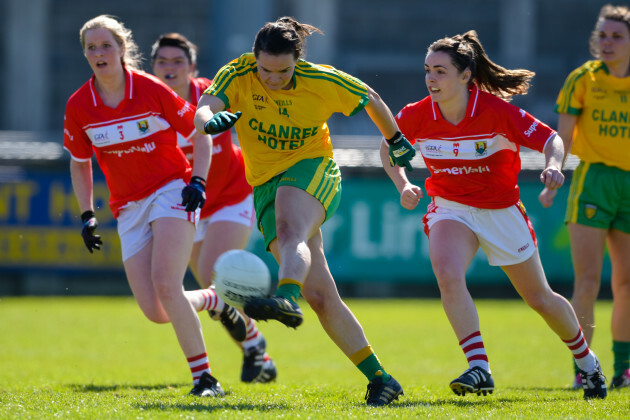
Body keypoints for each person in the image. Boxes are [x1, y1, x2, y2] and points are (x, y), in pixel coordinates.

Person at [194, 17, 412, 406]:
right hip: (264, 183)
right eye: (265, 70)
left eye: (283, 71)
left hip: (312, 168)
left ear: (298, 61)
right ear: (255, 59)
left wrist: (395, 139)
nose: (272, 79)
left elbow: (371, 98)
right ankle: (381, 379)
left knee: (289, 226)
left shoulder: (322, 80)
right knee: (323, 295)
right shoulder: (239, 73)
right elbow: (203, 106)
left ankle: (286, 295)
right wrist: (212, 119)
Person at [383, 30, 608, 400]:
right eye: (427, 70)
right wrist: (403, 183)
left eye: (440, 71)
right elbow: (387, 148)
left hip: (501, 211)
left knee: (540, 298)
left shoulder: (495, 111)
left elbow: (552, 138)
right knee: (447, 273)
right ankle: (480, 367)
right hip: (450, 207)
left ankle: (588, 363)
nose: (430, 78)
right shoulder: (415, 115)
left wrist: (554, 166)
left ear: (465, 76)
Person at [63, 15, 240, 397]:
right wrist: (88, 214)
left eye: (106, 45)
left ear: (123, 48)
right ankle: (212, 298)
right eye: (91, 48)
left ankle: (206, 380)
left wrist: (198, 181)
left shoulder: (149, 88)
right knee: (157, 311)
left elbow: (200, 127)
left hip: (171, 189)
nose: (98, 53)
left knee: (166, 283)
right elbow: (80, 163)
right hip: (128, 207)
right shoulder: (79, 105)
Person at [150, 32, 277, 384]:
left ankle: (253, 347)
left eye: (178, 61)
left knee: (215, 279)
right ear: (153, 66)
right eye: (163, 61)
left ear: (192, 66)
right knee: (217, 297)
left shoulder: (209, 94)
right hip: (188, 209)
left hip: (230, 196)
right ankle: (257, 349)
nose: (169, 68)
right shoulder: (148, 102)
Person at [539, 4, 630, 391]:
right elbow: (563, 139)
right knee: (588, 282)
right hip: (593, 182)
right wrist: (551, 178)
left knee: (626, 284)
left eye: (617, 37)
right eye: (603, 36)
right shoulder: (583, 79)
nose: (607, 43)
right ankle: (585, 369)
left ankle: (624, 369)